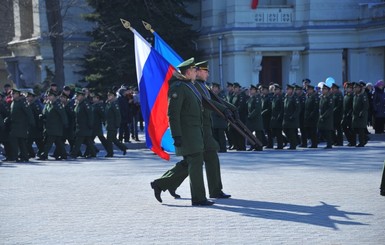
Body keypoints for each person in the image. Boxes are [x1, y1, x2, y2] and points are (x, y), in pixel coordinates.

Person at [151, 58, 213, 206]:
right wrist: (176, 135)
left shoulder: (189, 86)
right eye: (194, 70)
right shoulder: (179, 88)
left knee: (189, 162)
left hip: (195, 132)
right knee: (196, 162)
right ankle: (198, 198)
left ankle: (160, 184)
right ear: (188, 72)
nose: (196, 72)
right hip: (187, 133)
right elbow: (173, 113)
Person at [38, 90, 68, 160]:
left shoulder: (58, 104)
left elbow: (63, 115)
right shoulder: (48, 104)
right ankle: (64, 154)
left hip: (56, 126)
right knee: (58, 142)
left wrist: (65, 123)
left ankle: (44, 154)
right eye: (48, 96)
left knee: (49, 141)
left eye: (50, 95)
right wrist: (42, 116)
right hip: (48, 126)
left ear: (55, 97)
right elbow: (45, 113)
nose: (48, 97)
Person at [7, 89, 35, 162]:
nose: (12, 95)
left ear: (18, 94)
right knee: (20, 141)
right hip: (14, 125)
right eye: (11, 94)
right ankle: (24, 156)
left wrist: (32, 123)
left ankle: (16, 156)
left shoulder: (22, 102)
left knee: (16, 141)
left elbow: (29, 113)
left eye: (13, 94)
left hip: (21, 125)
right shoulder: (13, 102)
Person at [70, 88, 96, 158]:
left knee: (78, 141)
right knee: (88, 141)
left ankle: (74, 154)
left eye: (77, 96)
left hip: (85, 126)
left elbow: (90, 115)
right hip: (80, 126)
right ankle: (94, 152)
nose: (76, 97)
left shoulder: (85, 103)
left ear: (82, 96)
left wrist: (90, 124)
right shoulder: (80, 104)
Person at [104, 90, 127, 157]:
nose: (108, 97)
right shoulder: (109, 103)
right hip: (109, 124)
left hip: (113, 124)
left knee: (109, 140)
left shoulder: (115, 104)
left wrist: (117, 124)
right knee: (113, 139)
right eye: (108, 95)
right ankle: (123, 148)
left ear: (114, 96)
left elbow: (118, 115)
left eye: (110, 95)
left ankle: (110, 153)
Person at [25, 91, 44, 158]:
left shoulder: (35, 105)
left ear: (32, 97)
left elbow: (38, 116)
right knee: (37, 141)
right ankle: (37, 153)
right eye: (27, 96)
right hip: (31, 126)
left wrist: (38, 126)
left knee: (29, 142)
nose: (27, 98)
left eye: (28, 97)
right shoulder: (28, 104)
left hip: (35, 127)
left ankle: (33, 153)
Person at [211, 82, 228, 152]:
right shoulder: (211, 96)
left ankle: (223, 148)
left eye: (215, 87)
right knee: (215, 135)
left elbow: (224, 107)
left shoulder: (221, 97)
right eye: (212, 87)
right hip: (214, 119)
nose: (213, 89)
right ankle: (218, 147)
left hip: (220, 118)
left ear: (218, 89)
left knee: (221, 135)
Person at [246, 85, 263, 151]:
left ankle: (259, 146)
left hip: (256, 118)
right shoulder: (251, 98)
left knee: (258, 133)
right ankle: (252, 145)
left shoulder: (257, 98)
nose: (250, 91)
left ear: (255, 91)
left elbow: (257, 109)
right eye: (250, 89)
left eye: (252, 89)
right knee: (250, 132)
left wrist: (250, 115)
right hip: (251, 119)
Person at [282, 84, 300, 150]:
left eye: (288, 89)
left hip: (292, 119)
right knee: (285, 130)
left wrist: (293, 116)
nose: (286, 90)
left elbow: (297, 109)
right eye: (286, 89)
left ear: (291, 90)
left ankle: (293, 145)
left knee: (291, 132)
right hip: (286, 118)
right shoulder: (286, 97)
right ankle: (292, 142)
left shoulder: (295, 98)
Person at [352, 82, 369, 147]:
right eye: (354, 88)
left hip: (361, 115)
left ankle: (361, 142)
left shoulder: (363, 95)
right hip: (355, 115)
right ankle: (365, 138)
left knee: (360, 129)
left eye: (355, 88)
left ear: (359, 88)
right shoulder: (355, 95)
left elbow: (365, 106)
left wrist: (362, 112)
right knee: (355, 128)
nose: (354, 89)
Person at [318, 83, 334, 149]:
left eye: (324, 89)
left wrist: (324, 115)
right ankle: (329, 142)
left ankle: (329, 144)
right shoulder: (322, 97)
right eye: (322, 89)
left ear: (328, 90)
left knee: (327, 131)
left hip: (327, 117)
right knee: (322, 130)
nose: (323, 90)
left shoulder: (329, 98)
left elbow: (329, 109)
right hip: (321, 117)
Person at [270, 84, 284, 149]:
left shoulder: (280, 97)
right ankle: (279, 144)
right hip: (274, 117)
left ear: (279, 90)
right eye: (274, 89)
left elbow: (282, 108)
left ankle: (280, 145)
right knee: (275, 131)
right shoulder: (274, 97)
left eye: (276, 89)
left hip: (278, 117)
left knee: (278, 132)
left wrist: (279, 116)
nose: (274, 91)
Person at [341, 82, 355, 146]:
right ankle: (350, 140)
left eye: (349, 88)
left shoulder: (353, 96)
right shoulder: (346, 96)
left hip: (350, 115)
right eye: (347, 88)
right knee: (344, 127)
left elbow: (353, 106)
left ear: (352, 89)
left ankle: (352, 141)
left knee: (351, 129)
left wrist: (350, 113)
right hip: (345, 114)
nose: (347, 89)